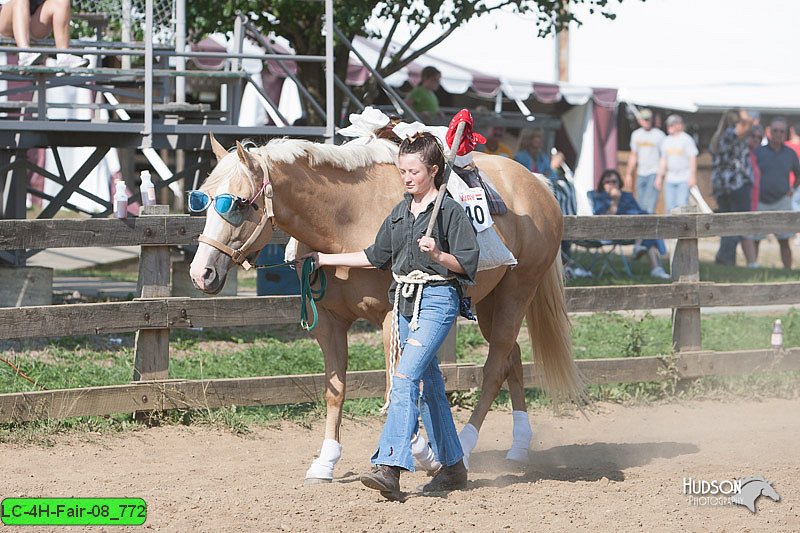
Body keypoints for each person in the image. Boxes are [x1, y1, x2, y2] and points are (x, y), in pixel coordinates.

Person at [301, 132, 478, 501]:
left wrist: (439, 255)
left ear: (433, 170)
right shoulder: (399, 213)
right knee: (429, 391)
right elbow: (372, 255)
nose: (406, 178)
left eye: (413, 171)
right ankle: (454, 467)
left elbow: (466, 265)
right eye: (402, 171)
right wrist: (323, 259)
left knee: (404, 378)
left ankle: (390, 466)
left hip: (437, 299)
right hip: (404, 303)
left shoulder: (449, 212)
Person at [592, 169, 670, 280]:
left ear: (619, 183)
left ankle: (649, 260)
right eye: (607, 182)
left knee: (649, 220)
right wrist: (615, 201)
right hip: (614, 232)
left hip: (635, 229)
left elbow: (638, 211)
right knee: (648, 224)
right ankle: (650, 262)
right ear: (602, 184)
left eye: (614, 181)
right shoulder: (599, 198)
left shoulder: (627, 195)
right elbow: (604, 221)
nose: (611, 185)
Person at [710, 109, 758, 267]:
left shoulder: (718, 136)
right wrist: (747, 117)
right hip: (736, 185)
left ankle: (726, 260)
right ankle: (724, 257)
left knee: (726, 223)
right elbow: (749, 125)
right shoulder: (732, 133)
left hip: (721, 186)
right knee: (737, 223)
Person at [752, 117, 800, 269]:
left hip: (782, 201)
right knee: (755, 239)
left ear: (785, 133)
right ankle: (752, 268)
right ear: (769, 132)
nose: (778, 133)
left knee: (785, 241)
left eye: (781, 131)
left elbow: (798, 174)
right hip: (760, 201)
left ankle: (788, 271)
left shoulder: (791, 153)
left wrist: (792, 190)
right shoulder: (758, 152)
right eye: (775, 130)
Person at [0, 0, 88, 68]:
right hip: (6, 20)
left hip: (33, 22)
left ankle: (63, 55)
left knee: (62, 1)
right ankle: (25, 54)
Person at [625, 108, 665, 214]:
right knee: (640, 205)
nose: (646, 122)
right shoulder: (636, 135)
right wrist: (628, 174)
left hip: (654, 172)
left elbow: (663, 157)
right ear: (639, 120)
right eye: (644, 119)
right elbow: (633, 155)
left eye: (648, 119)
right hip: (641, 173)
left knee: (650, 206)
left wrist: (660, 176)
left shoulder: (659, 135)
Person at [656, 114, 698, 213]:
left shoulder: (686, 139)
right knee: (669, 207)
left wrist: (693, 176)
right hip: (670, 178)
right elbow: (663, 160)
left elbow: (692, 158)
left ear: (679, 125)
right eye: (668, 125)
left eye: (672, 125)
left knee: (682, 205)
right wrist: (659, 176)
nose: (669, 127)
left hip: (684, 178)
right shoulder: (666, 141)